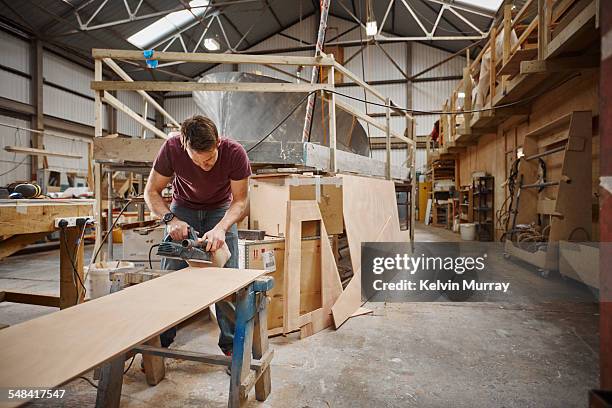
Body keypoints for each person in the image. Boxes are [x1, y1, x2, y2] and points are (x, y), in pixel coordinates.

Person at [144, 115, 251, 357]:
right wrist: (171, 220)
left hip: (221, 210)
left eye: (211, 158)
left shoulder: (234, 153)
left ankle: (231, 345)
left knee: (227, 281)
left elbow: (241, 200)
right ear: (184, 145)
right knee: (169, 278)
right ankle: (160, 343)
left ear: (218, 142)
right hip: (182, 208)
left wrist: (222, 228)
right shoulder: (171, 149)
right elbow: (151, 192)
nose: (207, 165)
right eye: (199, 160)